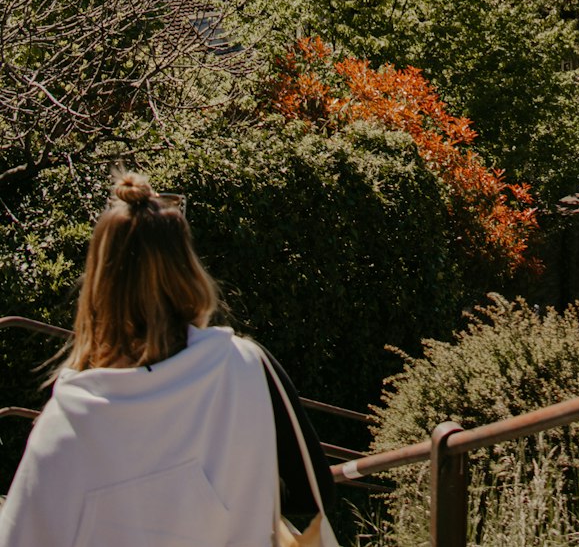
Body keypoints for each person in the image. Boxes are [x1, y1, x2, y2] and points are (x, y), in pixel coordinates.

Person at [0, 173, 338, 547]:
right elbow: (314, 495)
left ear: (99, 286)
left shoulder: (69, 425)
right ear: (188, 270)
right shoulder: (247, 367)